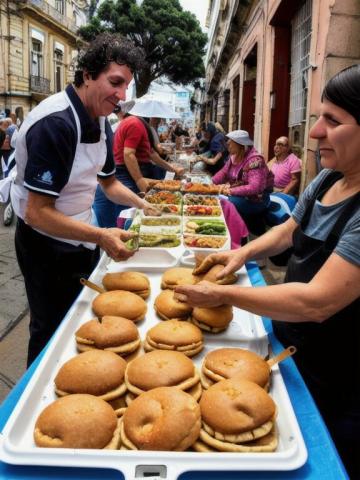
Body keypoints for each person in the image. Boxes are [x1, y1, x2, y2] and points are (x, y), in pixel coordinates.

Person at [174, 65, 360, 478]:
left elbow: (318, 301)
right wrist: (240, 255)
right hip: (293, 344)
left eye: (333, 120)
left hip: (340, 371)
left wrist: (224, 294)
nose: (314, 133)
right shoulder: (330, 177)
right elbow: (286, 232)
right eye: (318, 118)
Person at [11, 33, 159, 366]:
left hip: (82, 234)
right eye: (115, 82)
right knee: (49, 327)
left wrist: (145, 205)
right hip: (44, 243)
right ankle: (38, 393)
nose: (121, 96)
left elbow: (108, 184)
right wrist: (102, 235)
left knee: (81, 315)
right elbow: (37, 213)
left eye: (126, 87)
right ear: (88, 75)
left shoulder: (102, 121)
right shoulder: (55, 124)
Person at [212, 130, 273, 217]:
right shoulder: (234, 157)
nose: (227, 143)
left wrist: (230, 191)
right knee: (214, 197)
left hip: (255, 201)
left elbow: (254, 187)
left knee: (221, 202)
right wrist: (210, 183)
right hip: (239, 196)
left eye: (230, 141)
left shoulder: (255, 160)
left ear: (239, 144)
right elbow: (223, 172)